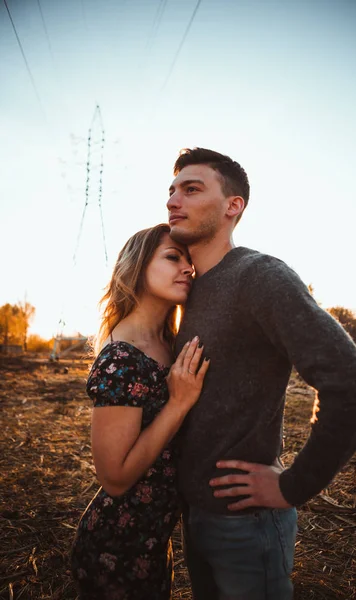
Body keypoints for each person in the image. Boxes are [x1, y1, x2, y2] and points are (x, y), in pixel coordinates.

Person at [166, 147, 356, 600]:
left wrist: (292, 485)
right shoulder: (186, 292)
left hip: (246, 526)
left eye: (191, 189)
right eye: (171, 190)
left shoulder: (260, 276)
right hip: (194, 516)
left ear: (233, 206)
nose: (172, 200)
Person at [70, 223, 210, 600]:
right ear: (137, 268)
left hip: (154, 541)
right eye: (172, 257)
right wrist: (178, 404)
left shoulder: (169, 342)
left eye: (189, 261)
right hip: (117, 547)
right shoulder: (121, 358)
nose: (187, 268)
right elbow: (113, 478)